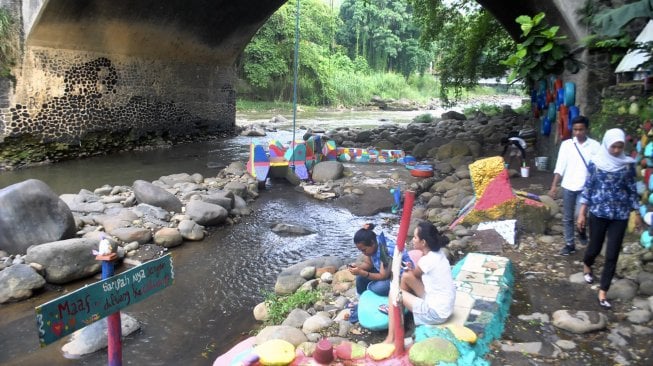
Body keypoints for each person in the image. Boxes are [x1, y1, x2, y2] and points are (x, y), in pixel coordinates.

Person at [577, 128, 643, 310]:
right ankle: (587, 264)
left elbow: (632, 190)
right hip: (598, 212)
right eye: (613, 147)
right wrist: (582, 212)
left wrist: (636, 213)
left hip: (620, 215)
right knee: (595, 247)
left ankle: (603, 291)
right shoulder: (596, 163)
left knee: (612, 253)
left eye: (619, 147)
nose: (616, 151)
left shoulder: (627, 165)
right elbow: (588, 188)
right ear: (607, 144)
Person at [383, 221, 456, 344]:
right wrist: (412, 266)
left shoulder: (426, 260)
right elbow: (412, 275)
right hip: (444, 307)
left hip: (435, 314)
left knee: (393, 293)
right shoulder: (438, 254)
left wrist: (410, 266)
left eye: (415, 237)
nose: (413, 240)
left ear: (423, 242)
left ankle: (391, 338)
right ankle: (400, 313)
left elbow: (416, 274)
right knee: (406, 277)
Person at [548, 115, 600, 256]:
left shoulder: (595, 146)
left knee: (580, 214)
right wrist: (554, 186)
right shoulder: (567, 145)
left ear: (586, 129)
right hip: (568, 185)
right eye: (575, 129)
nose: (577, 133)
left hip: (586, 188)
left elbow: (598, 168)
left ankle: (581, 232)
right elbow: (560, 167)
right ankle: (569, 244)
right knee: (567, 217)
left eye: (581, 129)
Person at [348, 223, 412, 296]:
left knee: (378, 288)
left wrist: (362, 273)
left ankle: (370, 291)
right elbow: (368, 264)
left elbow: (383, 276)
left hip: (400, 277)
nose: (363, 253)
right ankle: (361, 298)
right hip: (386, 271)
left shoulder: (385, 251)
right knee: (360, 277)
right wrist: (358, 268)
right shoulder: (372, 243)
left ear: (372, 243)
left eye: (364, 250)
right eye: (361, 251)